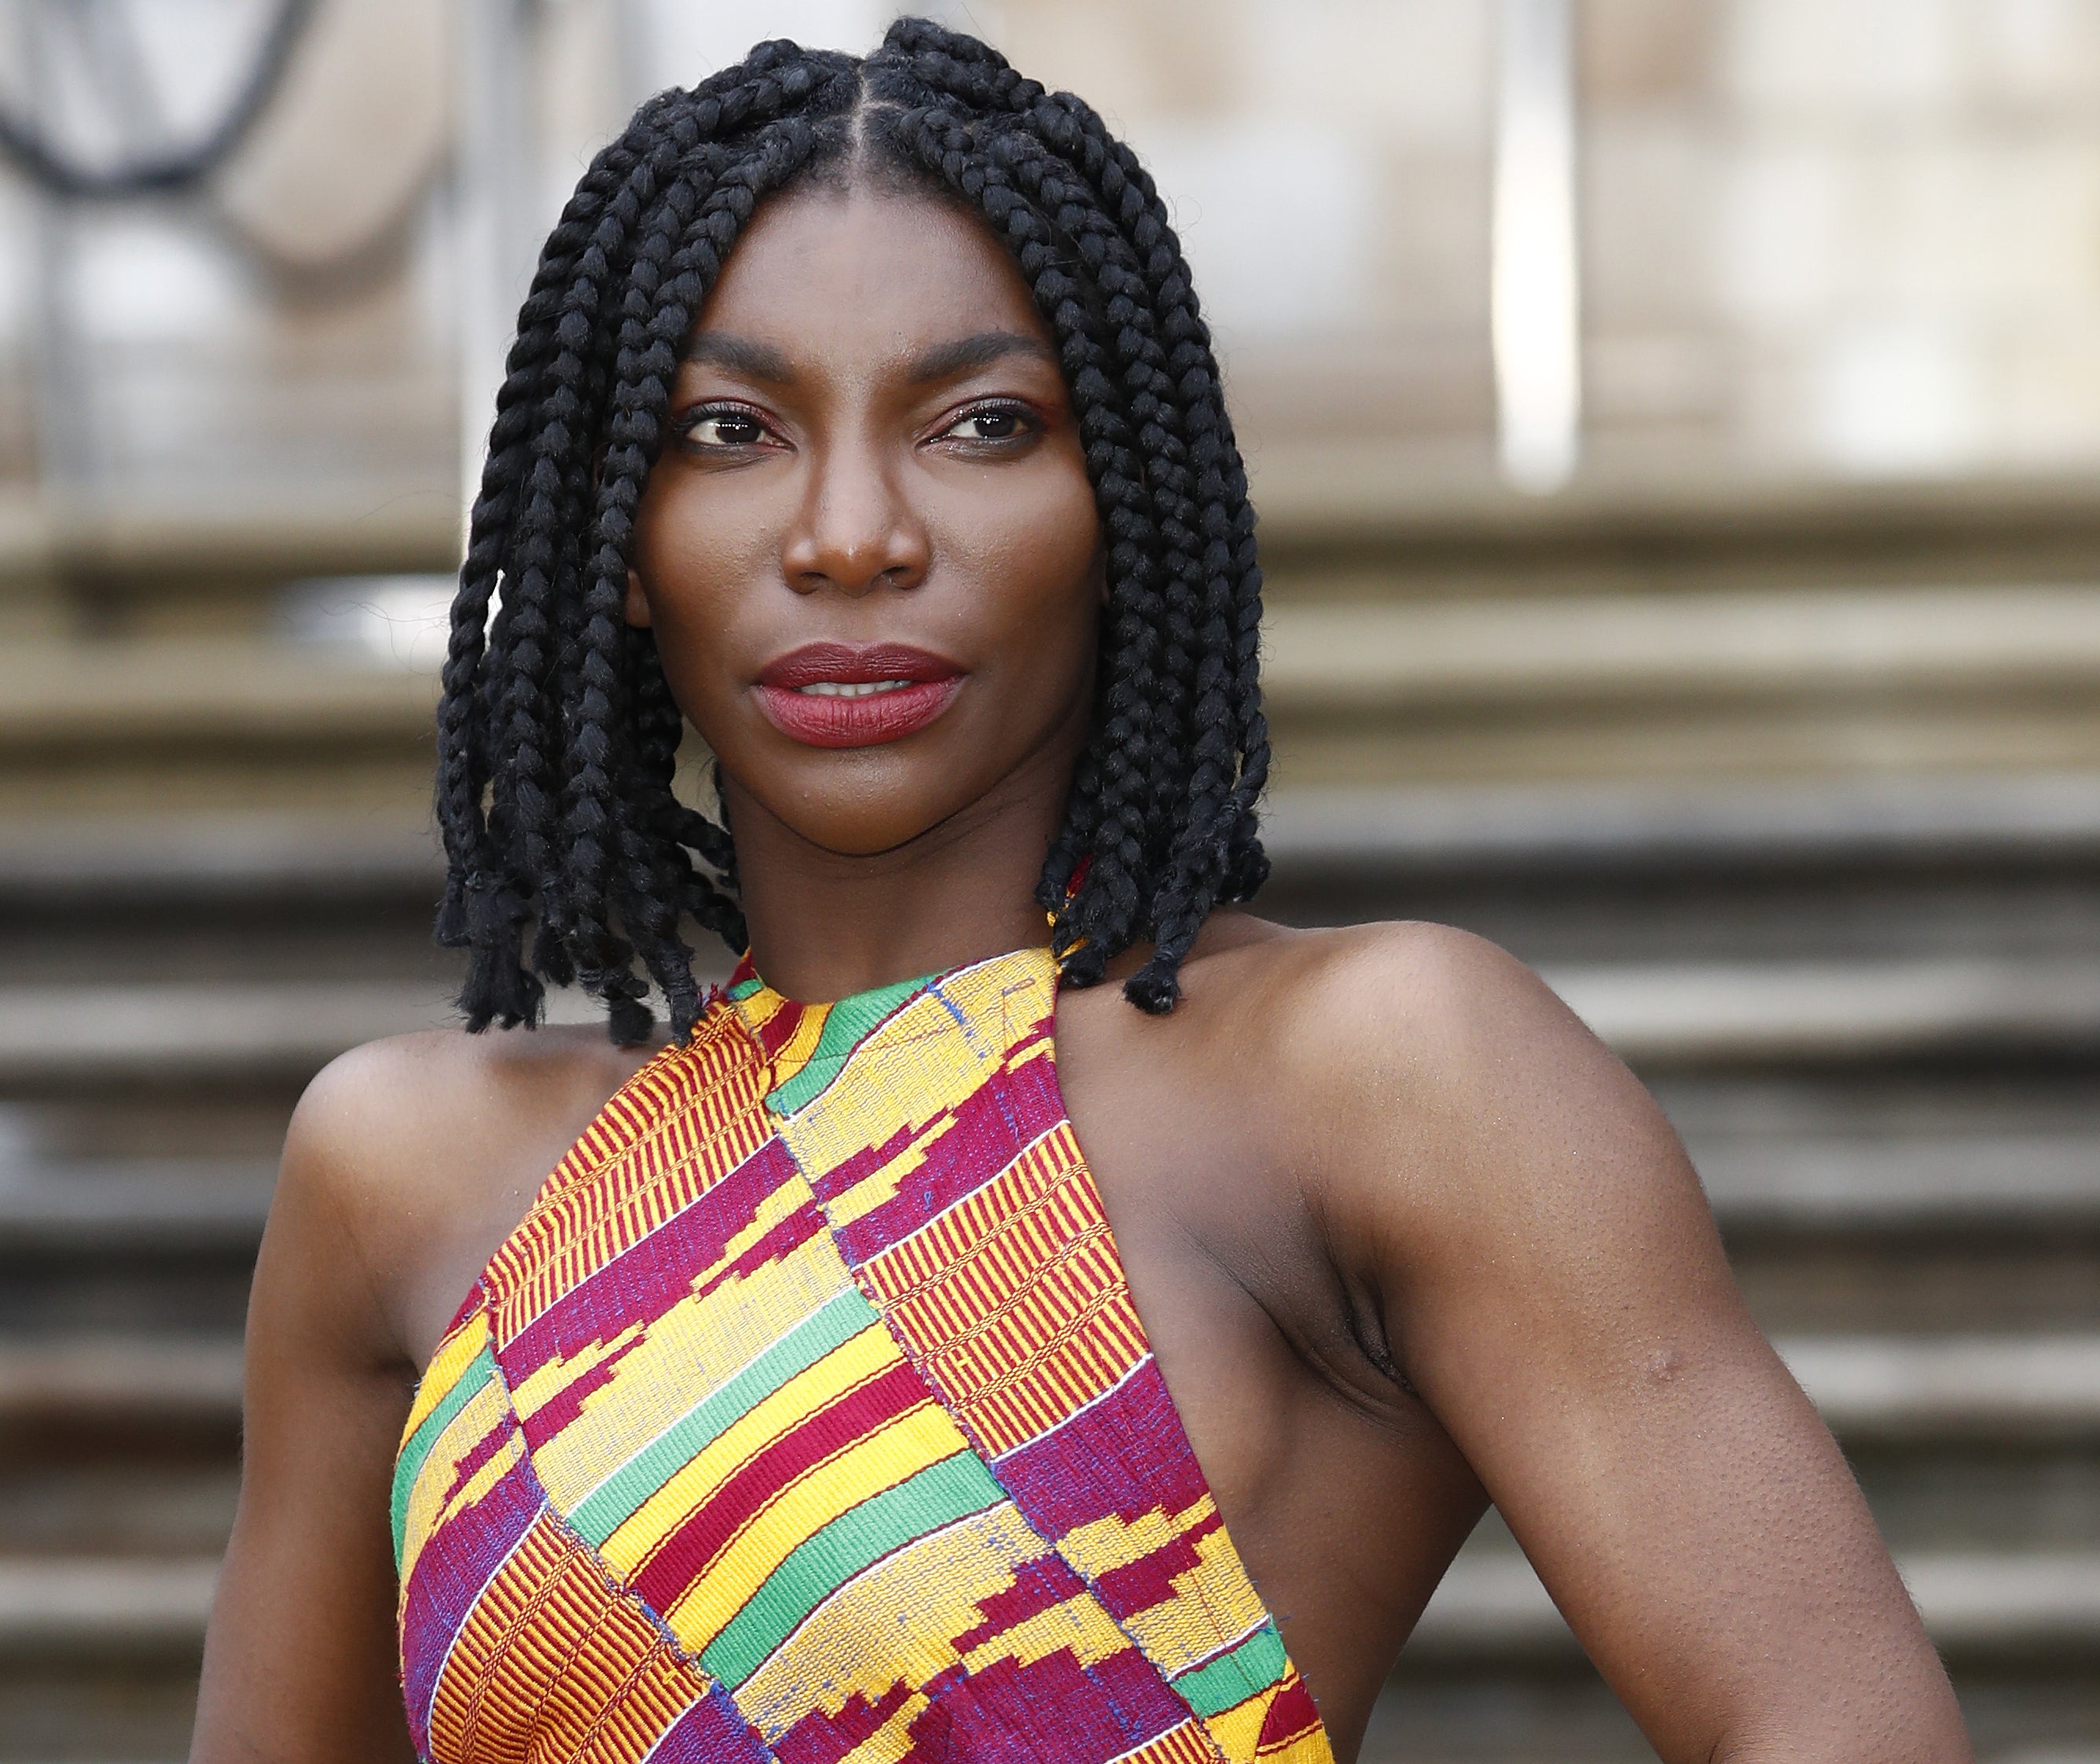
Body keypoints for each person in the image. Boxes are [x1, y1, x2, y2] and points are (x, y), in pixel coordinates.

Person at [190, 21, 1970, 1764]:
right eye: (730, 430)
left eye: (977, 423)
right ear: (619, 543)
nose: (849, 533)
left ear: (1117, 495)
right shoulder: (395, 1177)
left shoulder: (1384, 1076)